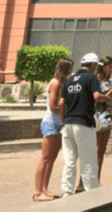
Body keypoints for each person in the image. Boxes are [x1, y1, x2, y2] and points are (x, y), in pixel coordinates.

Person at [59, 53, 112, 196]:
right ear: (92, 65)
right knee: (88, 159)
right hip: (83, 123)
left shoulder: (69, 80)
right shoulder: (91, 77)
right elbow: (96, 96)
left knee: (69, 160)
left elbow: (61, 103)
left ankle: (66, 191)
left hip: (68, 125)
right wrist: (107, 98)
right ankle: (91, 191)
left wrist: (64, 120)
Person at [33, 57, 72, 202]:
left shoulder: (61, 84)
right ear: (65, 69)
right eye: (69, 69)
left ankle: (44, 189)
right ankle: (37, 192)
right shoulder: (55, 83)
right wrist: (66, 111)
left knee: (51, 159)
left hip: (57, 124)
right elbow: (53, 107)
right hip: (50, 122)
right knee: (45, 158)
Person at [93, 56, 112, 181]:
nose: (111, 70)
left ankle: (97, 177)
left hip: (107, 115)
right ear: (103, 67)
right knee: (96, 149)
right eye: (109, 67)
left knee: (102, 149)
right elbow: (99, 98)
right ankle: (92, 178)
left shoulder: (107, 81)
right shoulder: (96, 81)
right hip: (98, 115)